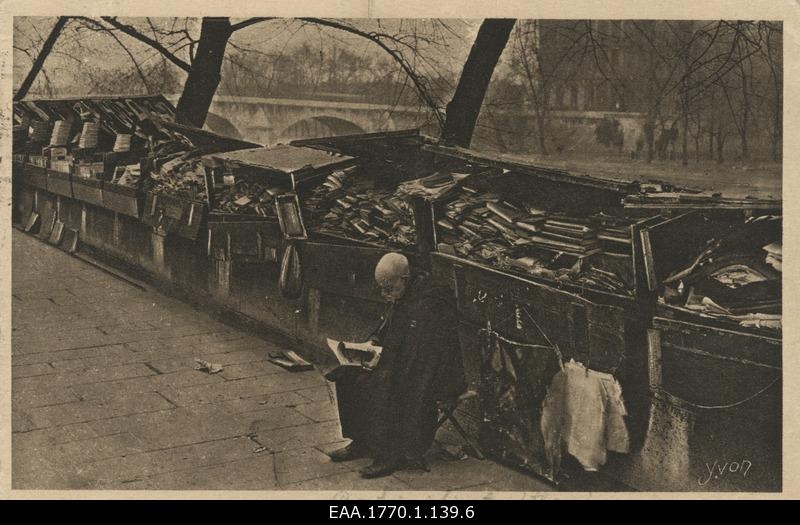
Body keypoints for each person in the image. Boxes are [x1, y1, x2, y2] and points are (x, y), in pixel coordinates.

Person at [325, 252, 467, 478]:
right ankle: (361, 441)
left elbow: (424, 355)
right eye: (382, 288)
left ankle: (390, 455)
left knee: (385, 384)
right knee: (347, 374)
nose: (385, 294)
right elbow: (389, 328)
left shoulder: (430, 301)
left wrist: (383, 363)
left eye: (388, 288)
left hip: (435, 371)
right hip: (404, 361)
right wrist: (373, 342)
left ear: (405, 278)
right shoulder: (403, 293)